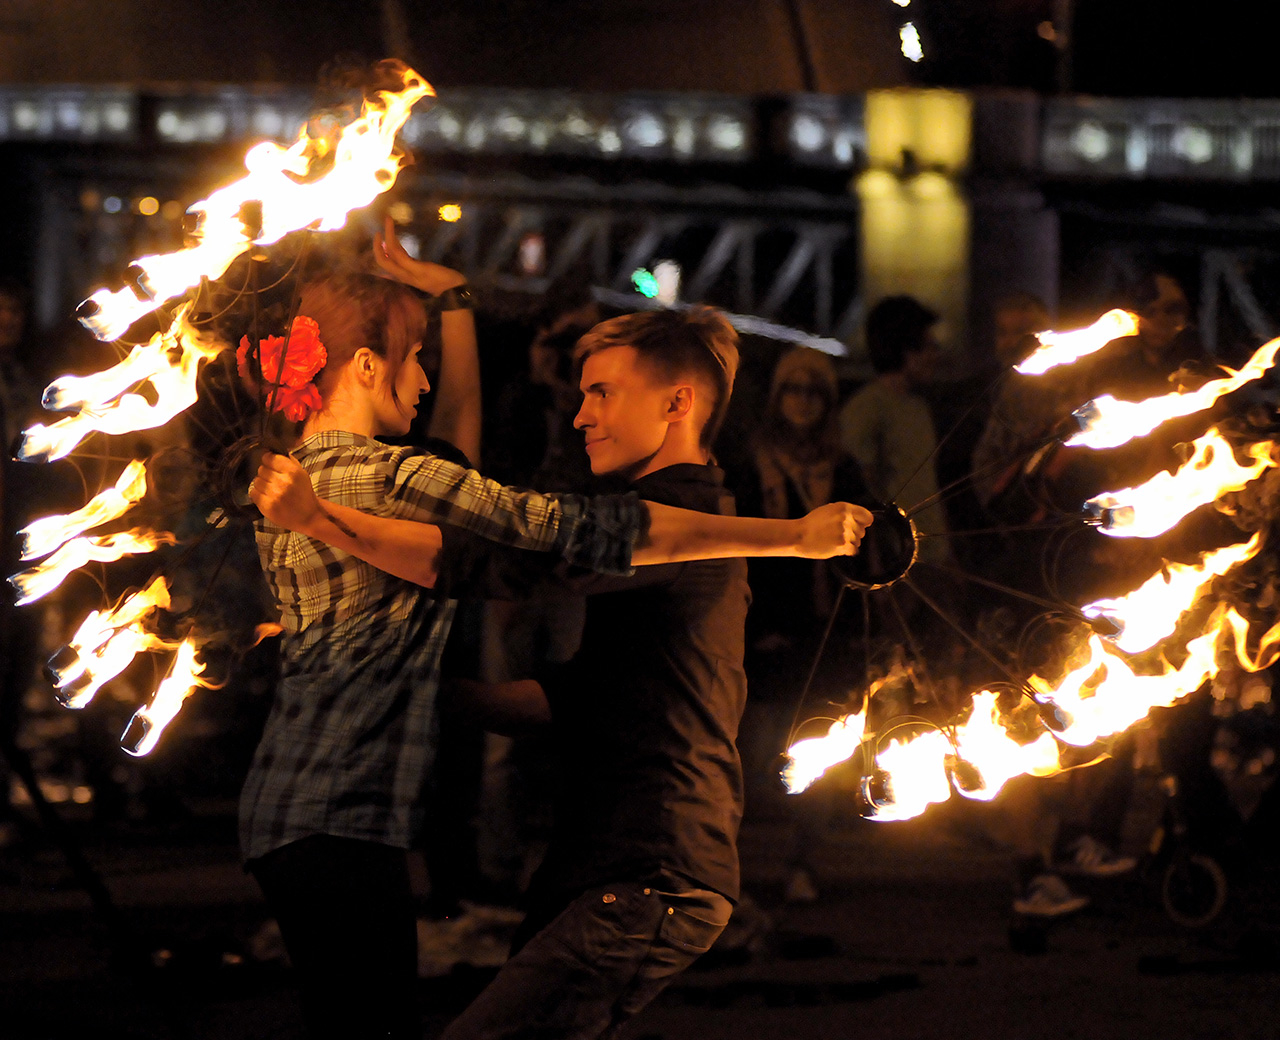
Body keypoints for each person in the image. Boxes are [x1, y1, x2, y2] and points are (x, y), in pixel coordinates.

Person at [244, 229, 870, 1040]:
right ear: (367, 369)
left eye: (600, 393)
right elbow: (520, 533)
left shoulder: (315, 471)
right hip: (365, 821)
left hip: (307, 815)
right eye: (416, 358)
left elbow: (498, 526)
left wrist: (456, 305)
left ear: (676, 403)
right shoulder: (386, 478)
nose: (579, 416)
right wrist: (790, 535)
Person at [838, 295, 949, 562]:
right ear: (904, 349)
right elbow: (861, 488)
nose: (935, 356)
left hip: (933, 555)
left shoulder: (918, 407)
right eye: (927, 347)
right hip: (896, 559)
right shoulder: (866, 408)